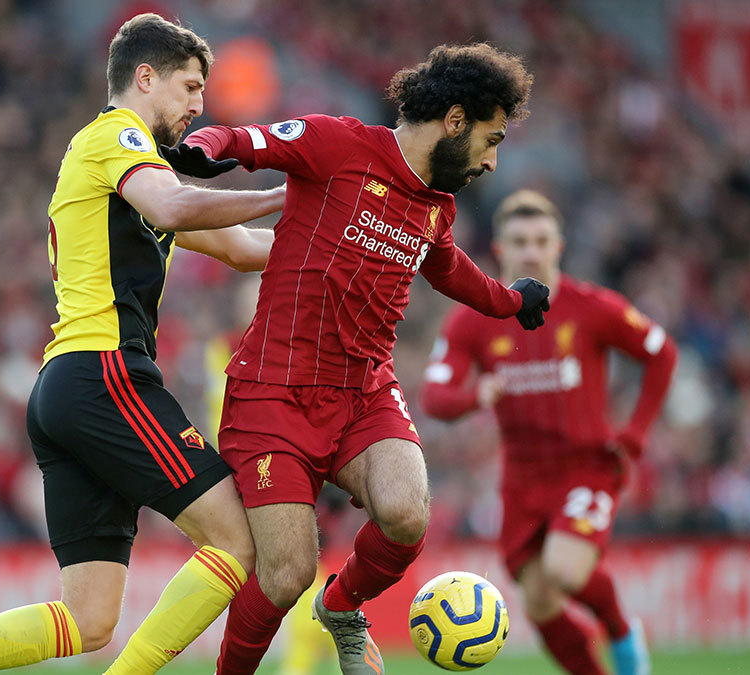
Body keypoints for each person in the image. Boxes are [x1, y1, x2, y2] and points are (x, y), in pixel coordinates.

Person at [0, 13, 284, 675]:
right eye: (191, 85)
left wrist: (345, 239)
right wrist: (284, 191)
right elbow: (175, 208)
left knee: (88, 620)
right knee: (237, 538)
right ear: (145, 77)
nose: (201, 104)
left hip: (69, 389)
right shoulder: (116, 136)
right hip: (107, 373)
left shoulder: (137, 171)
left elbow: (247, 249)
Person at [163, 43, 550, 674]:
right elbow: (244, 137)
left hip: (364, 392)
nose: (492, 160)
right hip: (273, 395)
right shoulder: (336, 144)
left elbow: (449, 270)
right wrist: (204, 151)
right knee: (286, 574)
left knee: (405, 514)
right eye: (491, 138)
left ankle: (341, 606)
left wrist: (510, 302)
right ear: (455, 121)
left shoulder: (435, 206)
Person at [420, 190, 677, 675]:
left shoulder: (593, 308)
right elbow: (435, 397)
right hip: (521, 479)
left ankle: (622, 631)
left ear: (559, 246)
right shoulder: (473, 320)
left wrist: (636, 434)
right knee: (538, 603)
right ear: (499, 249)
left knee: (563, 568)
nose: (531, 251)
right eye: (520, 241)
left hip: (586, 466)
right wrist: (477, 395)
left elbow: (661, 354)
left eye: (541, 240)